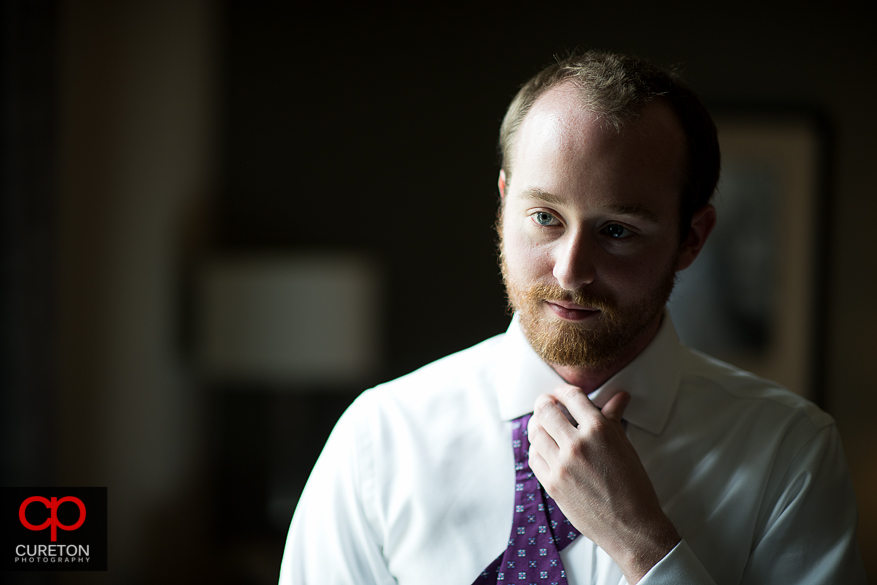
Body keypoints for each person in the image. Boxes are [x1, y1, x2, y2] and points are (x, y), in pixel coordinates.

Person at [278, 51, 866, 584]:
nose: (570, 271)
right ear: (505, 202)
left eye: (617, 231)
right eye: (544, 218)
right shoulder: (381, 442)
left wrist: (644, 545)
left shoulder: (790, 454)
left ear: (692, 238)